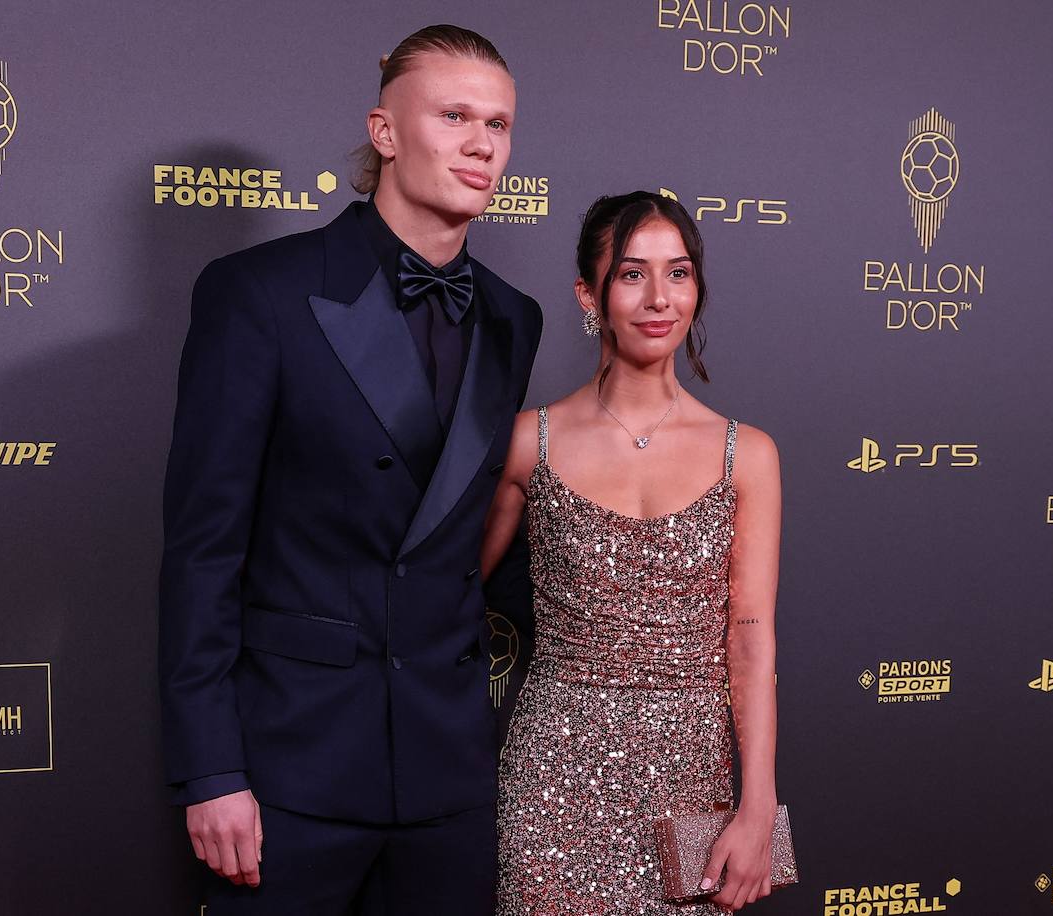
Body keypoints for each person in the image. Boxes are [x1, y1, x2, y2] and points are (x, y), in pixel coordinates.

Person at [158, 25, 543, 915]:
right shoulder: (259, 292)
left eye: (500, 123)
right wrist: (211, 768)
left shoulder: (513, 319)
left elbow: (467, 532)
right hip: (289, 767)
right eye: (453, 115)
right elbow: (202, 552)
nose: (483, 143)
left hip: (448, 771)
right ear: (385, 132)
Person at [482, 191, 782, 914]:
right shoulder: (530, 441)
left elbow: (750, 641)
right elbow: (442, 589)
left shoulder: (751, 455)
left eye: (677, 274)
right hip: (552, 778)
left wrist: (758, 810)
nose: (658, 298)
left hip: (693, 773)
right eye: (631, 274)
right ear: (589, 293)